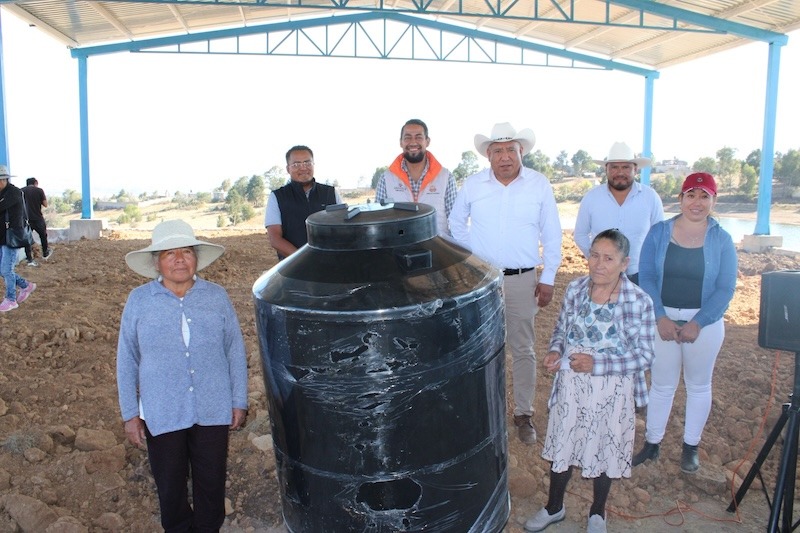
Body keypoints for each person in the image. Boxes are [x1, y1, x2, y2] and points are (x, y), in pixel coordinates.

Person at [116, 219, 249, 532]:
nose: (179, 259)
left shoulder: (216, 297)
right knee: (170, 485)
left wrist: (239, 400)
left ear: (196, 259)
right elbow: (127, 358)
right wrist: (130, 414)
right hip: (162, 411)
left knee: (211, 482)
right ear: (156, 263)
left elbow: (234, 350)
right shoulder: (139, 301)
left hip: (213, 407)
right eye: (169, 253)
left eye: (186, 252)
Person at [525, 229, 656, 533]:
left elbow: (644, 356)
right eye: (594, 255)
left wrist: (598, 363)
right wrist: (556, 351)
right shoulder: (575, 289)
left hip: (612, 389)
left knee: (605, 447)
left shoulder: (639, 301)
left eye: (608, 258)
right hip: (571, 384)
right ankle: (554, 507)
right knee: (563, 444)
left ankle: (598, 512)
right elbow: (560, 329)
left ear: (625, 263)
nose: (598, 263)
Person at [449, 122, 562, 445]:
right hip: (482, 281)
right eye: (497, 150)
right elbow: (457, 222)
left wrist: (549, 277)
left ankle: (523, 414)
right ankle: (483, 412)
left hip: (522, 280)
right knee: (480, 347)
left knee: (523, 349)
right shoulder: (472, 185)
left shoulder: (538, 185)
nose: (504, 157)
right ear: (488, 155)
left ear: (521, 152)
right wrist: (474, 257)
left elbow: (552, 234)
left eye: (510, 149)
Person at [633, 172, 737, 473]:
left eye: (705, 196)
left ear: (713, 201)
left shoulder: (722, 239)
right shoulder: (659, 232)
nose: (697, 202)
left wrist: (698, 322)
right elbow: (648, 277)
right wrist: (660, 316)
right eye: (691, 194)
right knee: (662, 385)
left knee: (699, 385)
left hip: (704, 325)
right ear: (680, 198)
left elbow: (725, 288)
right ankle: (652, 445)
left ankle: (690, 448)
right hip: (662, 319)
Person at [573, 142, 663, 285]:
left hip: (640, 276)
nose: (620, 172)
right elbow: (580, 235)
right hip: (601, 276)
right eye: (614, 167)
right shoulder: (591, 198)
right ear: (606, 169)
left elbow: (660, 237)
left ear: (636, 169)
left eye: (626, 167)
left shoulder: (650, 198)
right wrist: (599, 260)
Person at [375, 119, 457, 236]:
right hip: (400, 249)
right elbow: (379, 220)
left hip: (438, 250)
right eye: (407, 137)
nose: (413, 142)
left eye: (418, 137)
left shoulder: (445, 177)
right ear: (401, 142)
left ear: (427, 141)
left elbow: (455, 221)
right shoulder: (386, 179)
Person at [265, 145, 341, 260]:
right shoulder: (277, 197)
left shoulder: (331, 193)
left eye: (307, 163)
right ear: (288, 169)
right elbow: (275, 238)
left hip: (330, 265)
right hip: (292, 269)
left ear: (313, 164)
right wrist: (303, 260)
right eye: (296, 164)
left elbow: (343, 229)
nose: (303, 168)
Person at [0, 165, 37, 313]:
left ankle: (10, 299)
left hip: (12, 238)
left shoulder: (13, 193)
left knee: (6, 269)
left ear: (3, 180)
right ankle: (25, 285)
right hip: (2, 237)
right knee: (2, 270)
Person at [22, 177, 52, 266]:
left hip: (26, 219)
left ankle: (29, 259)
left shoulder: (21, 191)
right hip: (38, 218)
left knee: (26, 239)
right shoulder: (39, 190)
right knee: (43, 235)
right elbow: (45, 204)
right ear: (35, 183)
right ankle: (45, 253)